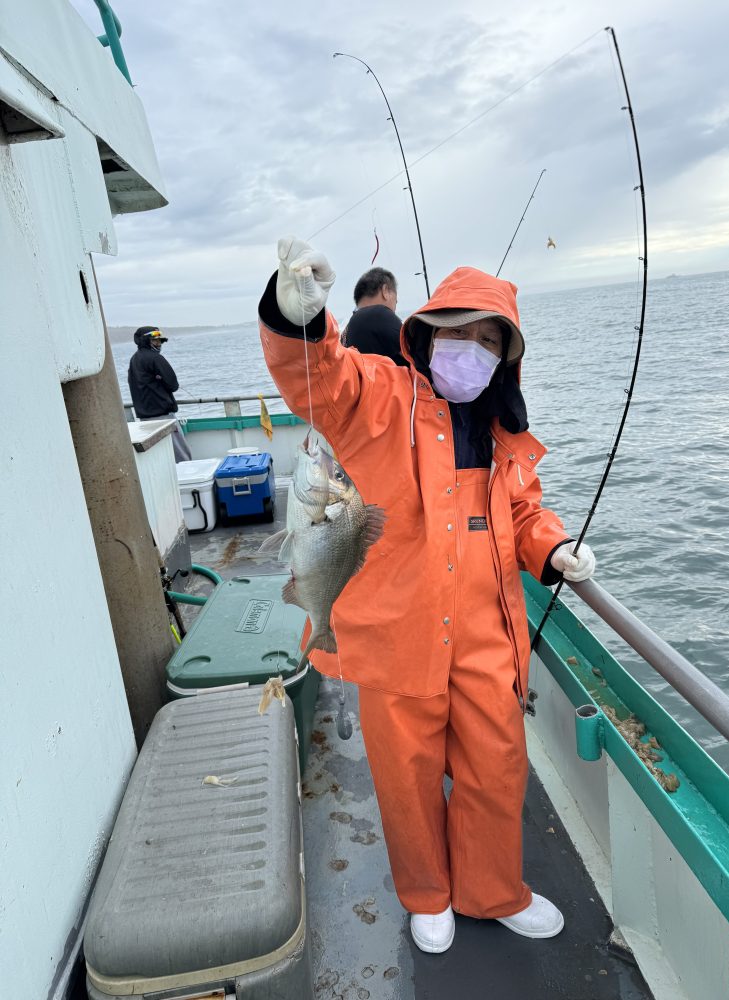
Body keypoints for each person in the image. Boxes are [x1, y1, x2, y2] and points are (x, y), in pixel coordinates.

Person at [258, 237, 596, 954]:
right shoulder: (381, 397)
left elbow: (525, 512)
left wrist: (554, 547)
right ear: (427, 334)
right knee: (405, 776)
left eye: (487, 339)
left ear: (505, 357)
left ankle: (494, 890)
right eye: (458, 332)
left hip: (486, 635)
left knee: (496, 769)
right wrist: (298, 317)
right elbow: (319, 376)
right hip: (396, 632)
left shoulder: (506, 432)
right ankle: (428, 895)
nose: (470, 349)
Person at [127, 326, 192, 462]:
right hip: (164, 418)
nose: (159, 344)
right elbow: (173, 385)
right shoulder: (156, 358)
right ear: (146, 341)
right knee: (182, 458)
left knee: (160, 460)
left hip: (144, 420)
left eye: (160, 341)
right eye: (155, 341)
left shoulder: (134, 360)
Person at [341, 266, 408, 365]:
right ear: (385, 290)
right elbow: (418, 352)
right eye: (395, 297)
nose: (396, 301)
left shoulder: (347, 329)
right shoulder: (379, 314)